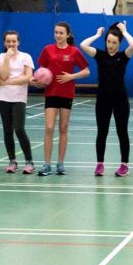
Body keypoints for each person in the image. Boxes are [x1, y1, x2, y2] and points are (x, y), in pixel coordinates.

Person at [31, 22, 91, 176]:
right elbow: (40, 71)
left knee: (63, 128)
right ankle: (46, 164)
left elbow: (86, 71)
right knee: (49, 128)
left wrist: (72, 76)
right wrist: (36, 81)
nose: (58, 35)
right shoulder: (48, 50)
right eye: (56, 32)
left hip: (66, 93)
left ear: (67, 34)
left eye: (61, 33)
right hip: (51, 93)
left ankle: (60, 163)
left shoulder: (74, 51)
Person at [80, 21, 133, 177]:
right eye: (108, 41)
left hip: (120, 100)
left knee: (122, 131)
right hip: (103, 99)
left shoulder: (123, 56)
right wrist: (97, 35)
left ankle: (124, 165)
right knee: (102, 132)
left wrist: (124, 31)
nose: (111, 45)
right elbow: (83, 45)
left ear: (119, 43)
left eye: (114, 42)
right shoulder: (100, 55)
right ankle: (99, 164)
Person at [0, 30, 35, 174]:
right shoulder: (1, 57)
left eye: (14, 41)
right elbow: (3, 75)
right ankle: (12, 161)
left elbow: (27, 77)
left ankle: (29, 161)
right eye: (8, 41)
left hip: (18, 98)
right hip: (3, 98)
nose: (11, 44)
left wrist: (10, 81)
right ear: (4, 43)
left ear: (18, 42)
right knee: (7, 130)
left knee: (19, 128)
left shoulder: (26, 57)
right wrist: (7, 59)